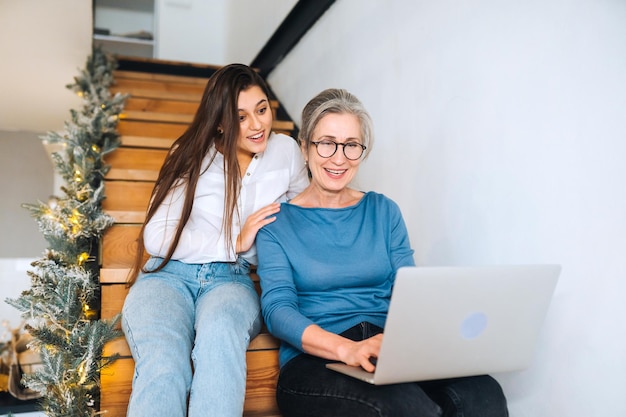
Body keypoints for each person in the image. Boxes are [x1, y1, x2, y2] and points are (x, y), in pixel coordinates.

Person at [256, 88, 509, 417]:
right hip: (315, 361)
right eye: (327, 143)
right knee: (405, 406)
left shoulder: (384, 211)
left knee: (483, 393)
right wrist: (347, 349)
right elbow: (277, 310)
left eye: (351, 145)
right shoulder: (276, 224)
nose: (339, 157)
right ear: (304, 147)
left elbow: (411, 291)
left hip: (387, 349)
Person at [121, 63, 309, 417]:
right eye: (240, 117)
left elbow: (302, 214)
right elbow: (157, 236)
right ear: (221, 121)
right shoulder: (191, 154)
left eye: (262, 110)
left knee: (220, 341)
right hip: (167, 277)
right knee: (164, 361)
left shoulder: (285, 151)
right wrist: (233, 241)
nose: (257, 124)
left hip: (232, 280)